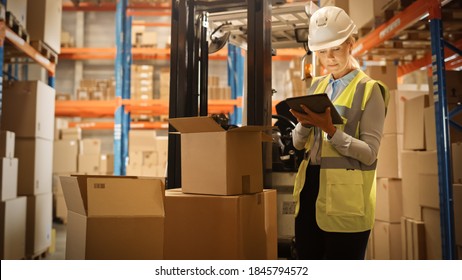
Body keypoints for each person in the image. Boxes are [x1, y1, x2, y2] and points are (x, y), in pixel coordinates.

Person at [290, 6, 389, 260]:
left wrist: (331, 130)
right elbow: (298, 145)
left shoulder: (370, 90)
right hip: (310, 194)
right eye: (322, 51)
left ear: (350, 44)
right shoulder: (317, 86)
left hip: (346, 203)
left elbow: (369, 154)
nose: (329, 57)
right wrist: (304, 124)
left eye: (336, 48)